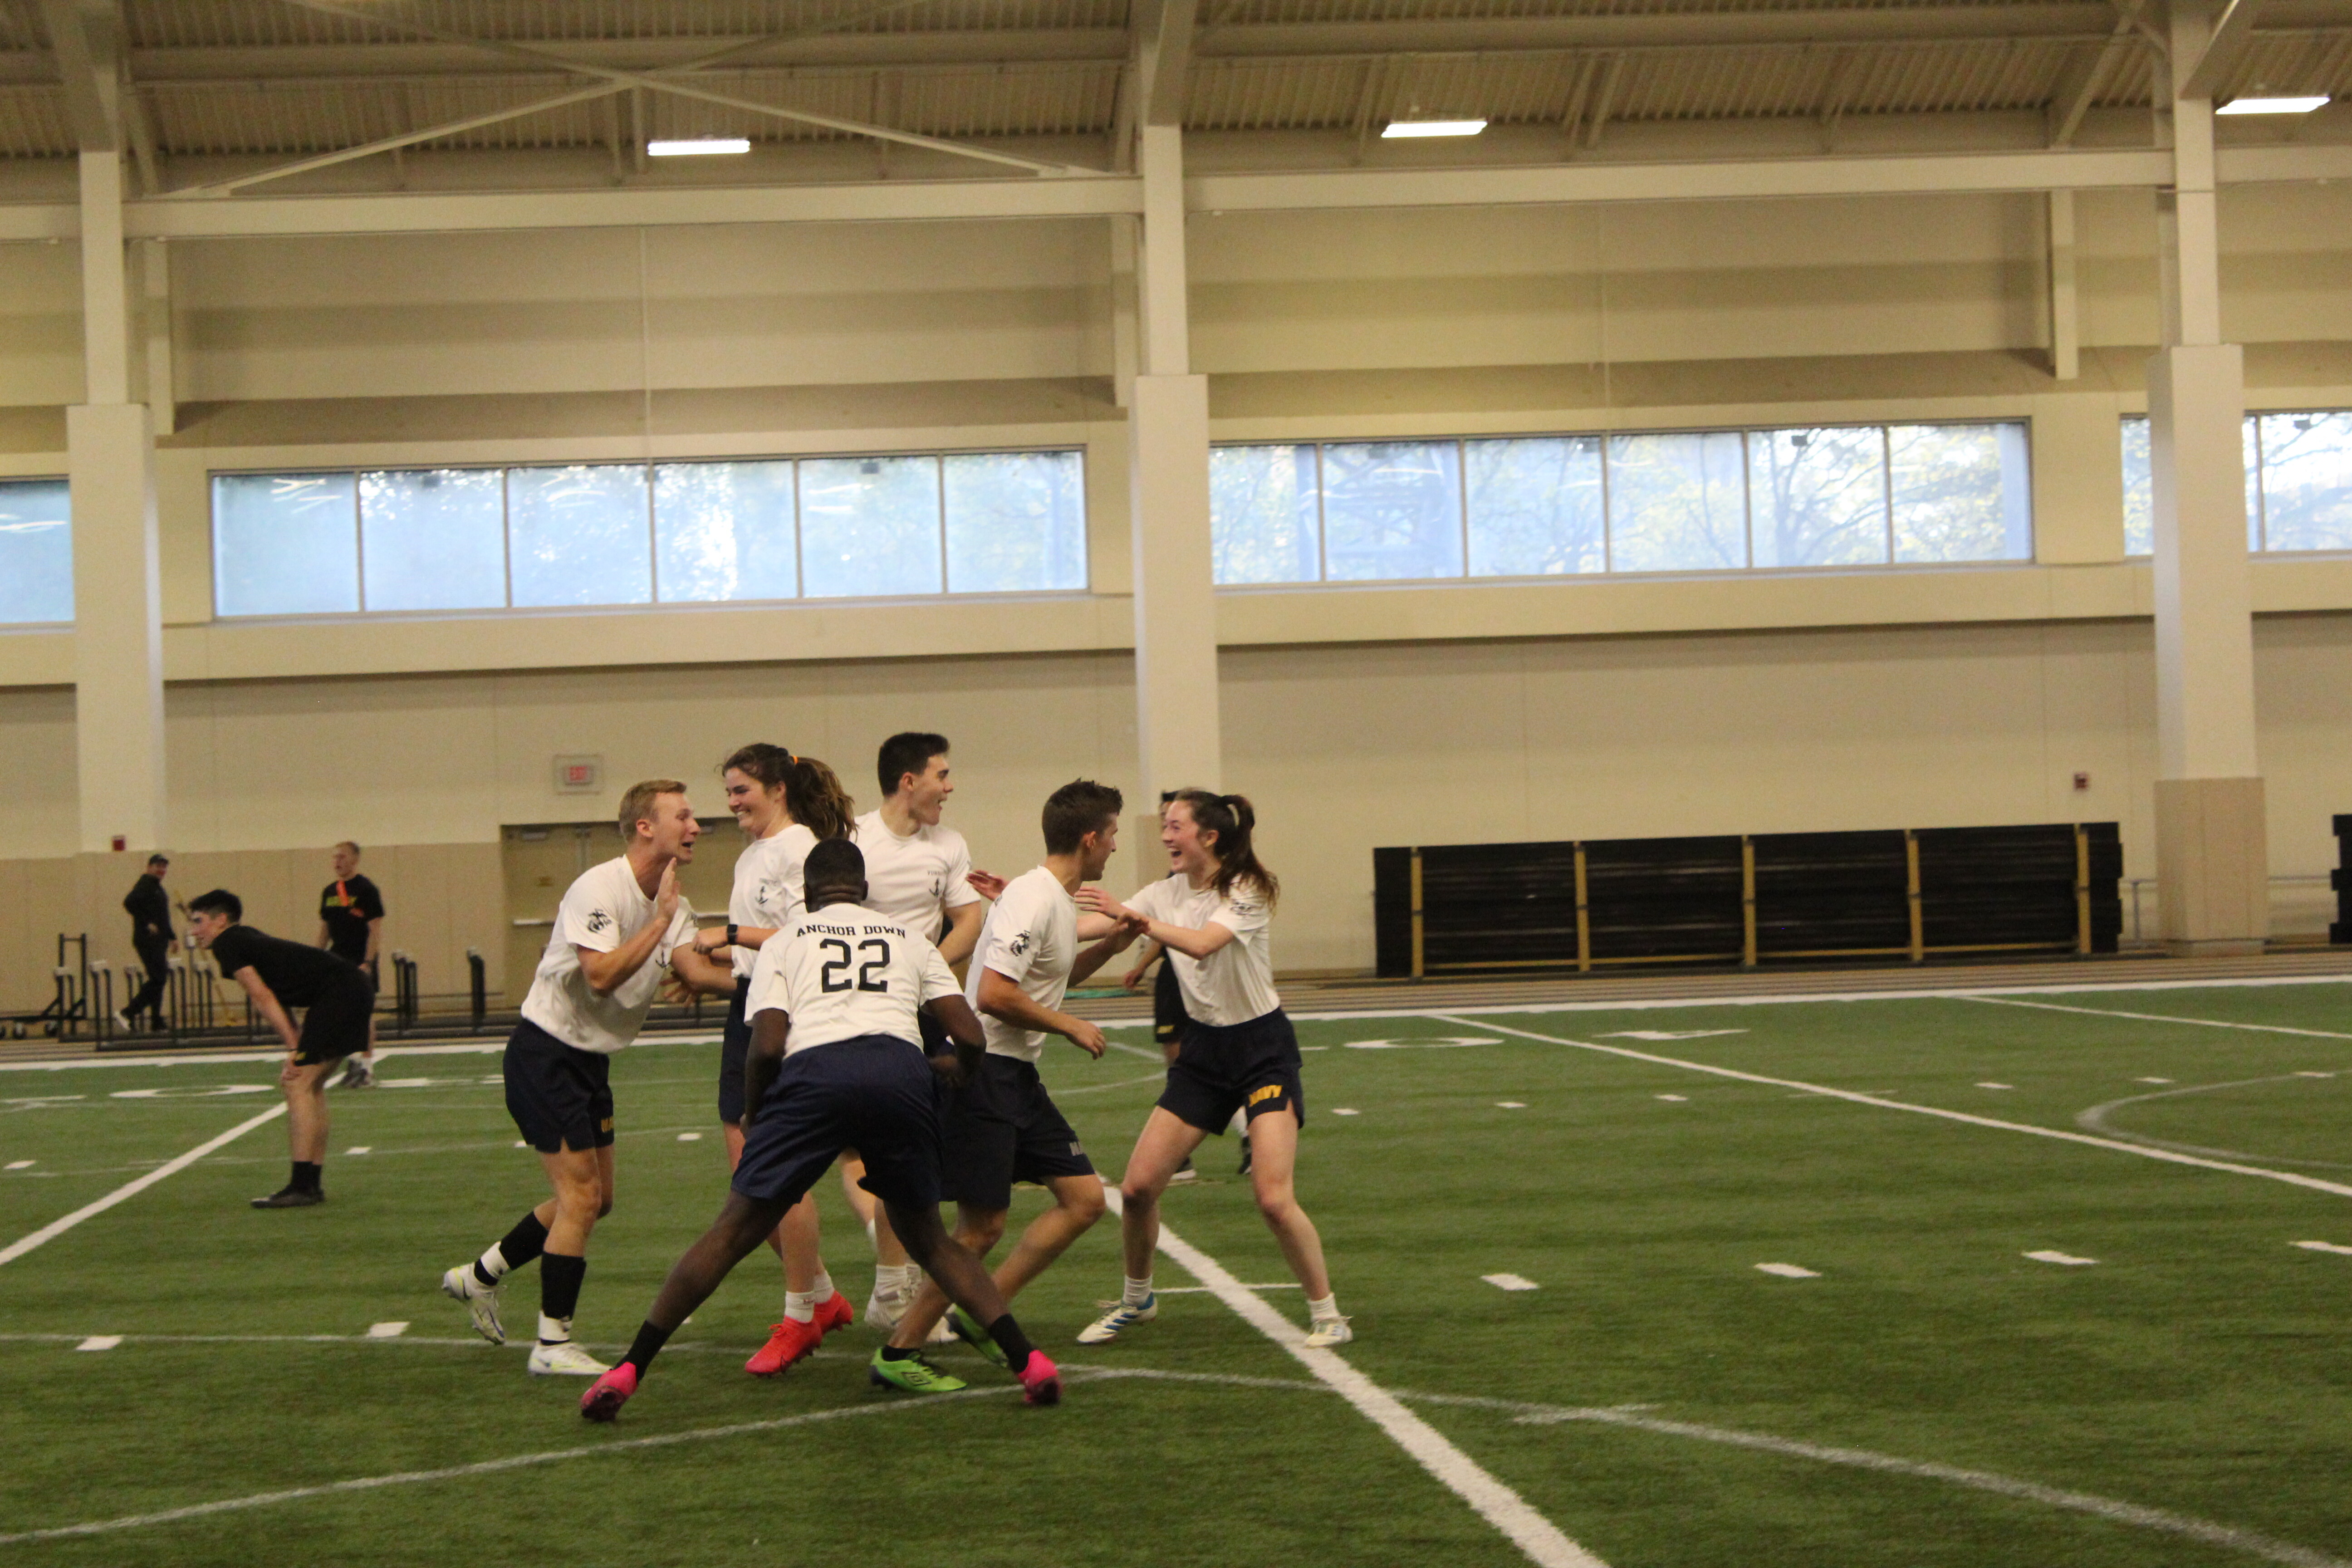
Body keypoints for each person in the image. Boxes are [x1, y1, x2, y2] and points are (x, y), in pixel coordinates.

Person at [579, 838, 1063, 1421]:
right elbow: (971, 1035)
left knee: (732, 1232)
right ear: (865, 891)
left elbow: (768, 1045)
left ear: (807, 895)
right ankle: (1030, 1362)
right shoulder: (909, 939)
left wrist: (757, 1114)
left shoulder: (786, 941)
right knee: (932, 1242)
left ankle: (629, 1368)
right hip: (900, 1075)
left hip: (815, 1077)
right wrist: (958, 1071)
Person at [439, 780, 701, 1377]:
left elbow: (695, 966)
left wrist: (775, 973)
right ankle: (552, 1346)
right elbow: (601, 975)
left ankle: (479, 1277)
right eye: (683, 816)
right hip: (545, 1056)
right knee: (579, 1198)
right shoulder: (599, 888)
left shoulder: (675, 904)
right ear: (645, 827)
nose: (695, 827)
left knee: (596, 1201)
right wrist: (660, 924)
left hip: (588, 1061)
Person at [1076, 790, 1350, 1348]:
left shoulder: (1245, 889)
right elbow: (1092, 926)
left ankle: (1328, 1315)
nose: (1165, 836)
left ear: (1209, 836)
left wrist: (1139, 921)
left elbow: (1203, 945)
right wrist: (1019, 910)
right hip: (1203, 1055)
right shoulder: (1164, 893)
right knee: (1137, 1189)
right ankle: (1137, 1300)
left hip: (1262, 1051)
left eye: (1176, 826)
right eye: (1165, 826)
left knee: (1273, 1198)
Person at [878, 780, 1133, 1375]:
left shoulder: (1052, 901)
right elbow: (993, 995)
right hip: (984, 1073)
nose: (1116, 847)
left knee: (1084, 1200)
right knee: (981, 1228)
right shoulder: (1033, 897)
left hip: (1016, 1078)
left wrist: (1114, 945)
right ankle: (900, 1349)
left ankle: (981, 1311)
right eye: (1113, 835)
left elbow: (1051, 978)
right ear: (1090, 839)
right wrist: (1069, 1026)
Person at [669, 743, 860, 1379]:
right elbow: (762, 949)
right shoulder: (756, 853)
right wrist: (708, 965)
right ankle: (820, 1297)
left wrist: (726, 936)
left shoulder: (798, 850)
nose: (731, 803)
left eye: (741, 790)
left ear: (778, 789)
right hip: (751, 1006)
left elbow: (811, 937)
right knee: (751, 1175)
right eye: (728, 791)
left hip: (786, 1016)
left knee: (773, 1175)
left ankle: (801, 1313)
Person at [847, 730, 986, 1329]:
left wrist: (926, 969)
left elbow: (968, 917)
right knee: (864, 1148)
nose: (949, 787)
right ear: (909, 781)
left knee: (907, 1150)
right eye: (942, 775)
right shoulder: (852, 839)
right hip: (855, 1012)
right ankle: (883, 1285)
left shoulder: (948, 844)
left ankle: (892, 1285)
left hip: (918, 1012)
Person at [183, 889, 374, 1209]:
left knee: (297, 1083)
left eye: (199, 922)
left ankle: (302, 1186)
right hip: (351, 988)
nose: (194, 931)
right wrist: (296, 1044)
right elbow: (276, 994)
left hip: (340, 993)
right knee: (311, 1085)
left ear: (221, 920)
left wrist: (294, 1048)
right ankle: (310, 1184)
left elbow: (262, 996)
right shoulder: (245, 939)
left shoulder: (228, 942)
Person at [316, 842, 385, 1089]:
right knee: (340, 1013)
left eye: (343, 857)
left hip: (359, 960)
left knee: (363, 1013)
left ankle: (366, 1068)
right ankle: (353, 1062)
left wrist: (368, 962)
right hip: (336, 960)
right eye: (335, 857)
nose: (337, 862)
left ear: (355, 860)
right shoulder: (329, 891)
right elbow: (325, 929)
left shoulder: (366, 889)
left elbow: (374, 930)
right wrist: (316, 957)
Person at [118, 854, 175, 1032]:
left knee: (158, 979)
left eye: (164, 867)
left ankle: (156, 1021)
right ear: (149, 867)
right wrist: (147, 923)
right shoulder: (145, 884)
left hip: (159, 940)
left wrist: (172, 937)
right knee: (158, 979)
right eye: (158, 866)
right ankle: (128, 1013)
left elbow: (163, 916)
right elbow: (129, 903)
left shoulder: (157, 887)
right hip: (147, 940)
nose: (161, 870)